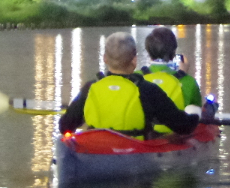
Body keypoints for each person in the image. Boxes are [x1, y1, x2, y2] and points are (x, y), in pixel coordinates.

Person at [58, 31, 200, 138]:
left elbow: (64, 126)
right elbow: (183, 127)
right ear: (134, 60)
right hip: (134, 154)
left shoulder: (90, 88)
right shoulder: (147, 90)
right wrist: (196, 115)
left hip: (96, 150)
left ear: (105, 58)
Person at [139, 26, 204, 117]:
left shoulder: (135, 77)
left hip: (144, 129)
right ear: (174, 52)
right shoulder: (189, 82)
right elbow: (197, 109)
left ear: (148, 51)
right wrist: (183, 75)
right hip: (177, 129)